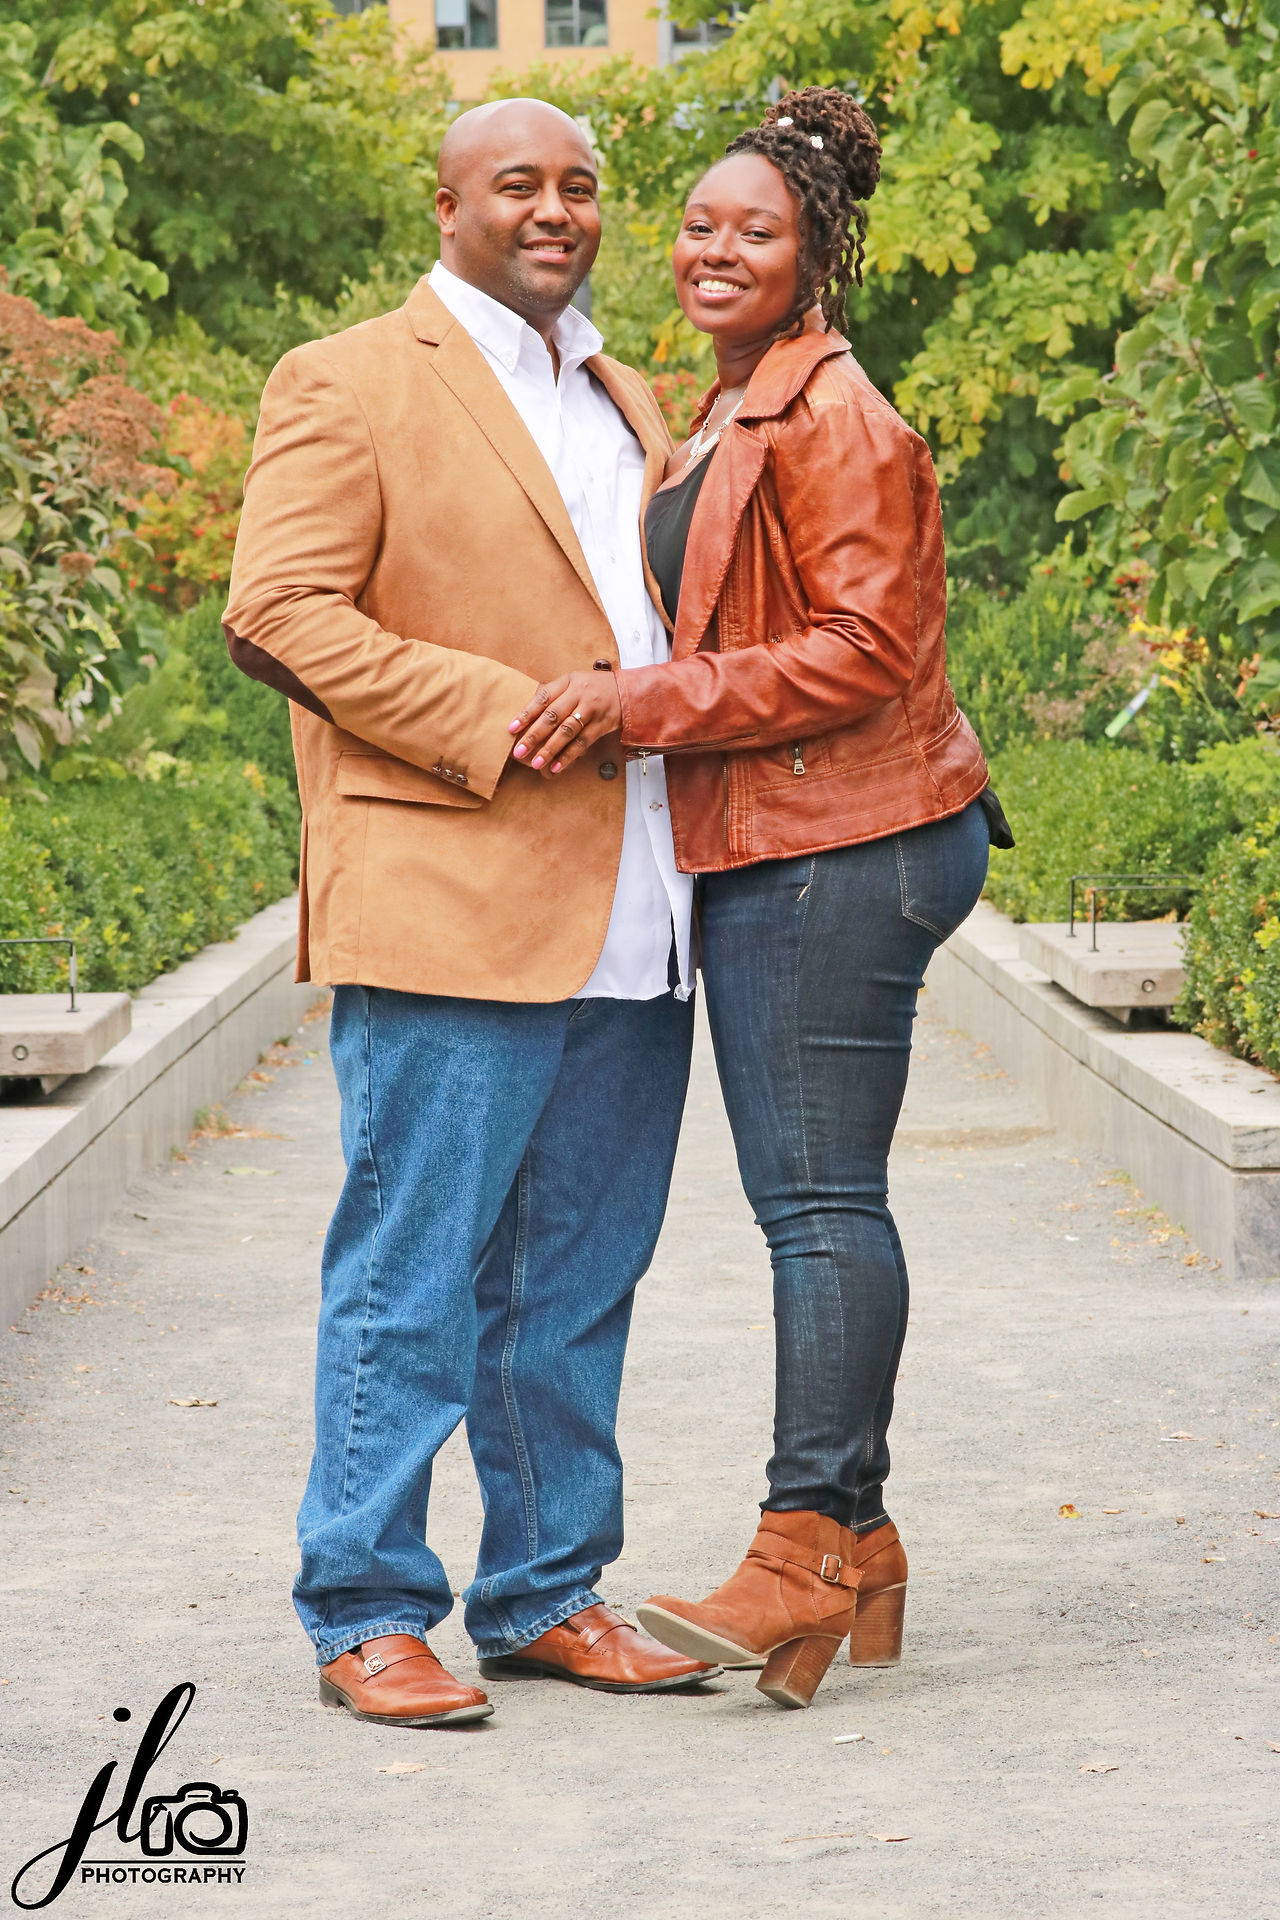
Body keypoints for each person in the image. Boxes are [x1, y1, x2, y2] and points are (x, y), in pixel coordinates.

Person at [508, 85, 1010, 1710]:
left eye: (759, 231)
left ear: (817, 256)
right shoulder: (733, 405)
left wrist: (636, 705)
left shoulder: (835, 414)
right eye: (700, 224)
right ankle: (860, 1542)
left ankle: (802, 1544)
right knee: (818, 1200)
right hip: (798, 835)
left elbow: (866, 650)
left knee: (818, 1207)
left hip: (842, 843)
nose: (717, 249)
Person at [223, 97, 717, 1728]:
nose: (557, 209)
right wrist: (505, 712)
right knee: (413, 1276)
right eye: (519, 183)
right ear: (446, 205)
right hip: (451, 889)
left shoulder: (625, 391)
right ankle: (367, 1609)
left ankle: (548, 1592)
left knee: (576, 1283)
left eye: (582, 185)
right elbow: (278, 611)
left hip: (639, 905)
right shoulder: (349, 378)